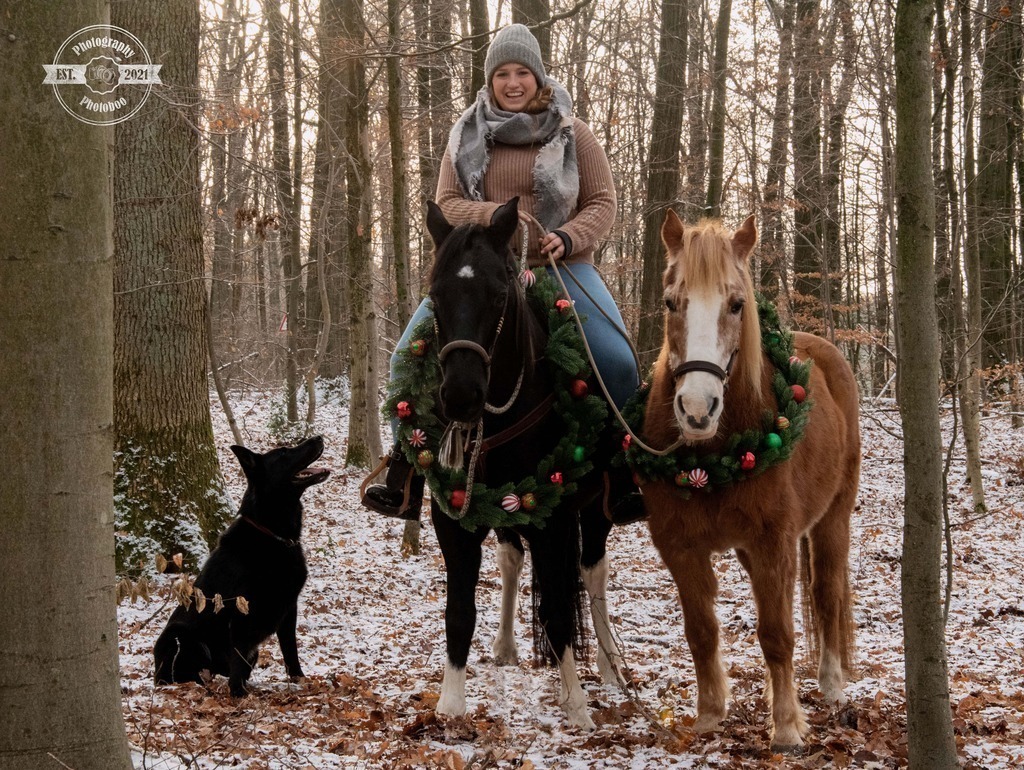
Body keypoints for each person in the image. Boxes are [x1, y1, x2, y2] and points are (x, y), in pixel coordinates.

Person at [362, 23, 642, 523]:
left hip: (562, 266)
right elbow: (447, 202)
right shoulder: (466, 132)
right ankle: (403, 474)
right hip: (483, 270)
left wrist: (569, 235)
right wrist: (498, 219)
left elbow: (603, 202)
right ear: (490, 81)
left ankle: (621, 477)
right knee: (408, 353)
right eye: (502, 74)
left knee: (616, 361)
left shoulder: (573, 132)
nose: (513, 83)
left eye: (522, 73)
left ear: (538, 76)